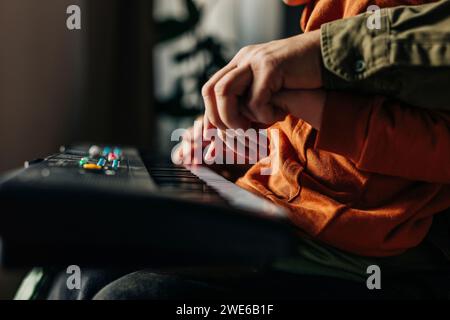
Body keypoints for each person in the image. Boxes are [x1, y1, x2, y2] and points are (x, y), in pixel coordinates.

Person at [21, 0, 450, 300]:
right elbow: (309, 144)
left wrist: (303, 102)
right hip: (278, 207)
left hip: (357, 242)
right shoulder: (316, 14)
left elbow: (426, 145)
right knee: (88, 267)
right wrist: (241, 147)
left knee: (128, 292)